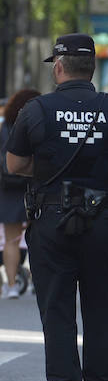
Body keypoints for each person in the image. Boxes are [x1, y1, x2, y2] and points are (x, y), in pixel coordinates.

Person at [5, 35, 108, 381]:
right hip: (101, 220)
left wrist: (48, 169)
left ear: (59, 67)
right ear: (92, 68)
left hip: (52, 220)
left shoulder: (37, 109)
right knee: (100, 311)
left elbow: (14, 165)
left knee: (57, 312)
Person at [0, 88, 40, 298]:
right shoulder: (40, 125)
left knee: (11, 239)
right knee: (40, 238)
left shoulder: (4, 127)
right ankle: (37, 282)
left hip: (9, 188)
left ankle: (12, 285)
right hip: (35, 186)